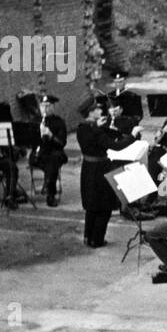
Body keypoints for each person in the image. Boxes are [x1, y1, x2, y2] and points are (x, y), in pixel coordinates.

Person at [76, 100, 118, 248]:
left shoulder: (82, 128)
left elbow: (94, 136)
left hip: (88, 168)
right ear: (91, 112)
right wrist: (132, 136)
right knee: (104, 206)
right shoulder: (95, 130)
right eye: (97, 109)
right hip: (100, 169)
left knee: (91, 205)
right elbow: (115, 145)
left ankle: (88, 237)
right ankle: (97, 240)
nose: (100, 111)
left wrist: (100, 126)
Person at [29, 93, 68, 207]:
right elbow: (28, 142)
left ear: (53, 107)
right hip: (40, 154)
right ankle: (50, 190)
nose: (44, 109)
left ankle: (49, 191)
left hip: (55, 152)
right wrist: (37, 135)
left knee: (54, 159)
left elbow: (62, 143)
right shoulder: (34, 121)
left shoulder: (59, 121)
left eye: (48, 106)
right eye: (42, 106)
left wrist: (50, 135)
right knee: (50, 164)